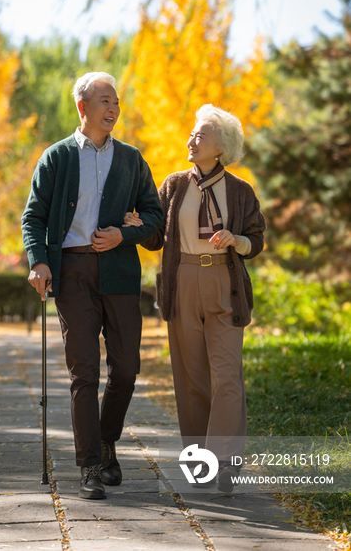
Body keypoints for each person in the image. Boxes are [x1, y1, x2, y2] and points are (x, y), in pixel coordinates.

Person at [21, 72, 163, 500]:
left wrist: (125, 235)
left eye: (116, 102)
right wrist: (39, 261)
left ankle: (106, 439)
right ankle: (89, 467)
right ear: (83, 107)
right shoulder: (57, 157)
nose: (113, 109)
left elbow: (155, 216)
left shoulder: (133, 159)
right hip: (74, 274)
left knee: (126, 369)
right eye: (104, 101)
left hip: (119, 272)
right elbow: (34, 218)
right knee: (84, 372)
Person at [124, 104, 265, 493]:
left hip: (224, 282)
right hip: (182, 280)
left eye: (200, 135)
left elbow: (257, 240)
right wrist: (140, 226)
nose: (191, 140)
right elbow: (157, 239)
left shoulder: (240, 191)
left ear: (220, 146)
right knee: (191, 382)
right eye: (191, 133)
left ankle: (224, 463)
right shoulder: (173, 185)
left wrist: (237, 240)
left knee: (227, 377)